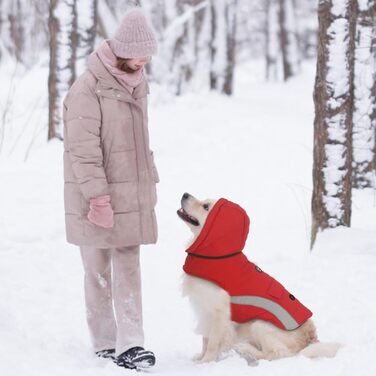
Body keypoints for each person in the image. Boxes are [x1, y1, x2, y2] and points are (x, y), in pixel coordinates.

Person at [62, 7, 159, 370]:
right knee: (98, 269)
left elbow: (136, 142)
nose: (144, 61)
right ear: (121, 51)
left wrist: (149, 177)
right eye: (139, 55)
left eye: (148, 55)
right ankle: (104, 342)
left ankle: (131, 344)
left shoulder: (138, 83)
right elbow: (82, 151)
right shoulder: (87, 89)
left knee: (129, 267)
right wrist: (96, 197)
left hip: (129, 193)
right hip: (93, 196)